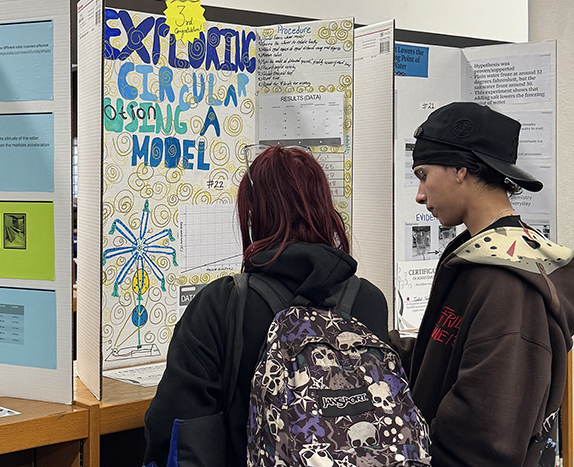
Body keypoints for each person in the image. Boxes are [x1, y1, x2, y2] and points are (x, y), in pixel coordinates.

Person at [142, 144, 389, 467]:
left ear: (253, 213)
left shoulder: (223, 303)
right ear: (324, 208)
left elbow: (175, 426)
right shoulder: (369, 301)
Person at [390, 102, 574, 467]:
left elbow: (489, 433)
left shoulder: (505, 281)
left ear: (460, 170)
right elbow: (451, 355)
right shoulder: (479, 258)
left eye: (423, 174)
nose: (420, 194)